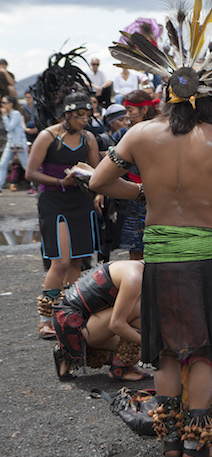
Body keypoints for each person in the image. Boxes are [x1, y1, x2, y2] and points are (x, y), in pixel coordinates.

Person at [91, 11, 212, 457]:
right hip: (206, 257)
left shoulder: (139, 134)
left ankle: (170, 441)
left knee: (169, 353)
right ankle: (197, 443)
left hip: (161, 258)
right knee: (204, 352)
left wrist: (141, 191)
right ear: (209, 96)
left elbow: (97, 181)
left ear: (165, 93)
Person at [25, 91, 101, 339]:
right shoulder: (48, 136)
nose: (84, 120)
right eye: (79, 115)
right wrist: (61, 181)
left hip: (80, 200)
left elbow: (97, 171)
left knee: (78, 261)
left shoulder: (88, 138)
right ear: (66, 114)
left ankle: (69, 314)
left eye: (87, 116)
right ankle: (45, 319)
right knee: (61, 261)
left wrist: (97, 189)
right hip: (54, 200)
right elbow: (31, 173)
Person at [52, 260, 147, 381]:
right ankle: (118, 368)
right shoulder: (134, 277)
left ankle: (74, 353)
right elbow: (116, 324)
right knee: (142, 308)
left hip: (80, 322)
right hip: (74, 326)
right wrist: (152, 345)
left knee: (140, 336)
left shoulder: (136, 266)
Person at [115, 90, 160, 260]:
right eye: (126, 111)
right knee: (135, 249)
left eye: (131, 111)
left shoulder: (160, 132)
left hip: (157, 194)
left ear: (145, 110)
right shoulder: (123, 134)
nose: (128, 116)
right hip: (131, 195)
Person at [0, 96, 29, 195]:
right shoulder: (9, 114)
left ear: (10, 103)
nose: (2, 104)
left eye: (4, 102)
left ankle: (36, 186)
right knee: (2, 164)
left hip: (19, 143)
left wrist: (3, 116)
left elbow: (9, 127)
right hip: (11, 143)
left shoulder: (16, 113)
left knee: (26, 165)